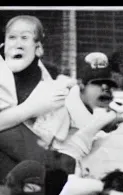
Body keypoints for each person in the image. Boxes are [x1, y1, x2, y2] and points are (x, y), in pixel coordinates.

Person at [0, 15, 77, 180]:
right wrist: (33, 107)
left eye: (25, 38)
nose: (17, 44)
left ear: (38, 47)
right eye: (12, 37)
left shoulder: (49, 84)